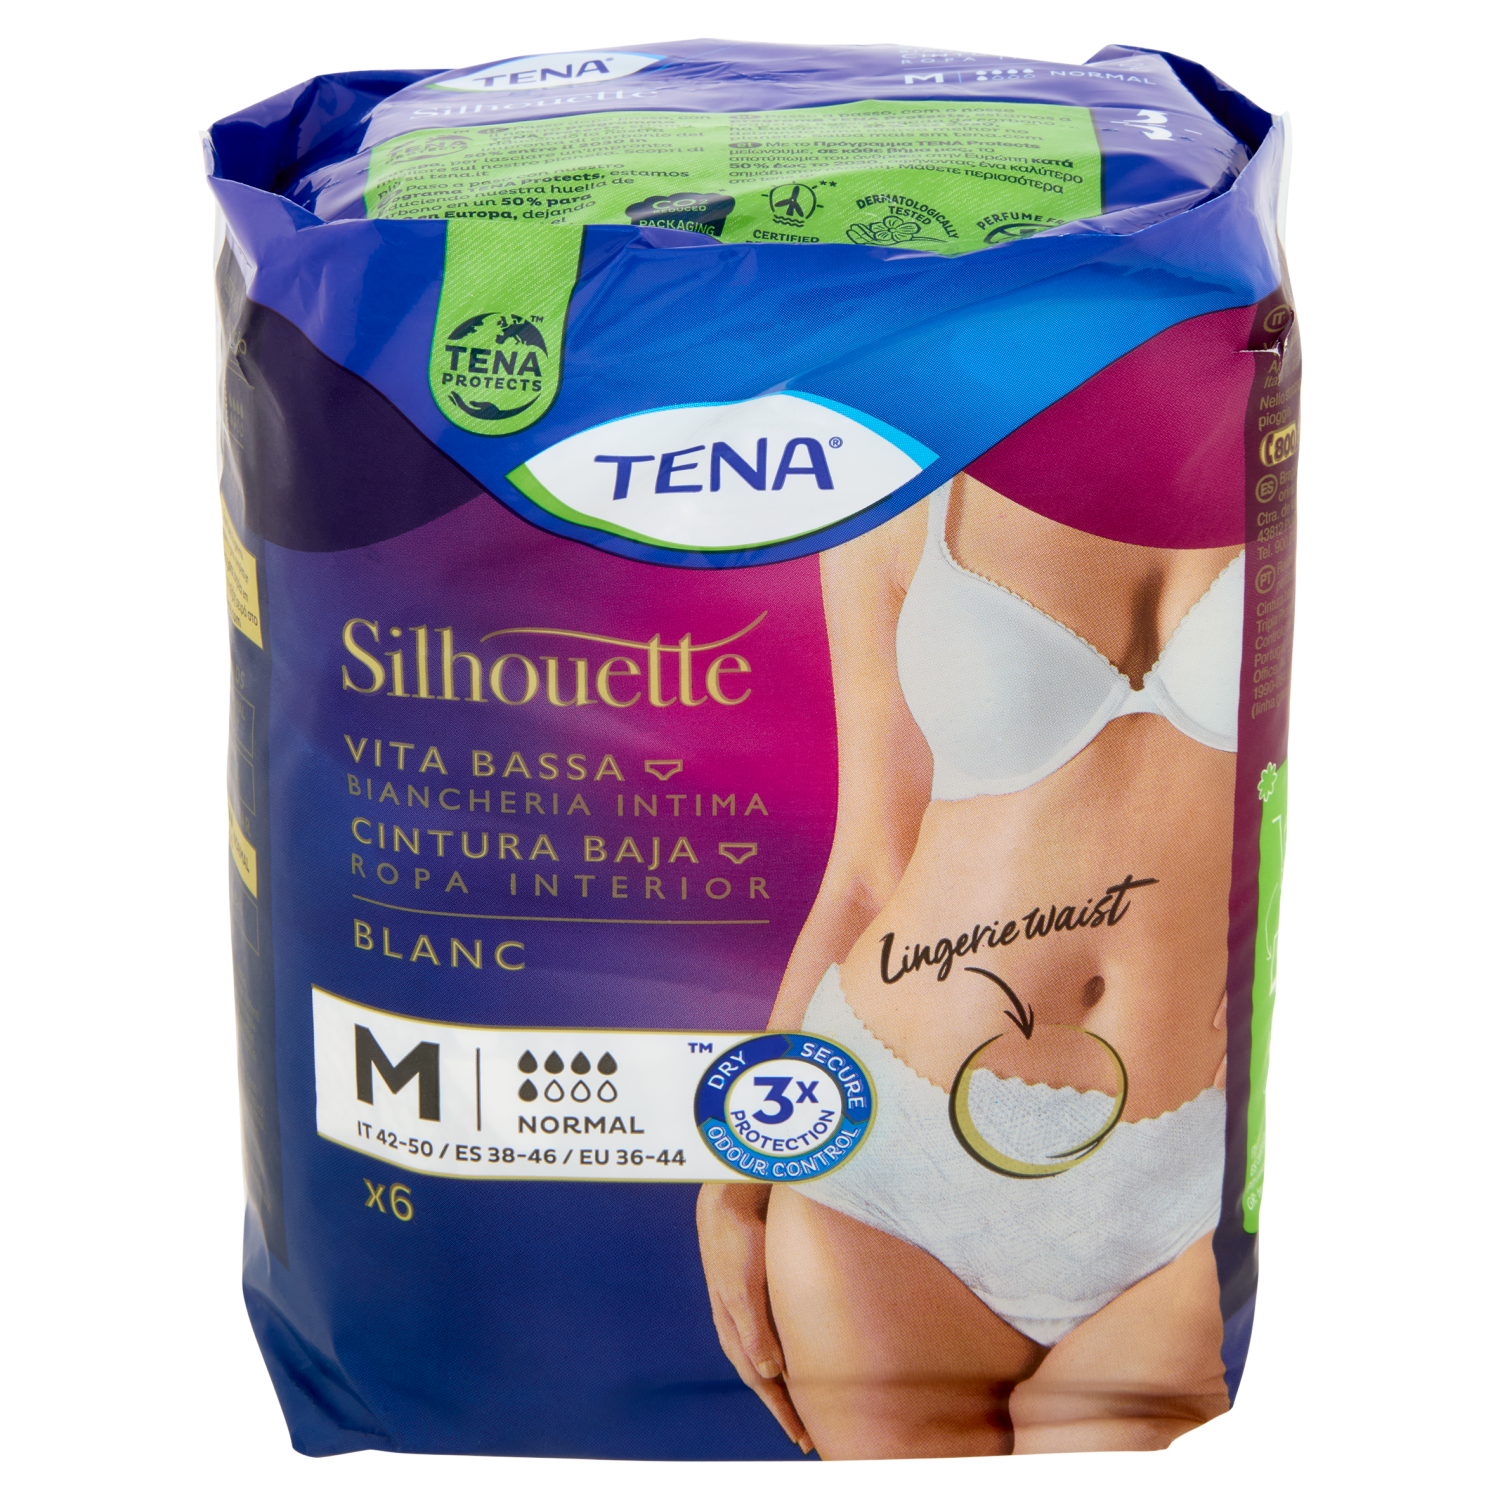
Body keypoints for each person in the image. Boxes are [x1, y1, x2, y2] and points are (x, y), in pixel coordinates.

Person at [697, 469, 1244, 1458]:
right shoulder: (895, 481)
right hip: (888, 1165)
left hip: (1201, 1175)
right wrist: (739, 1177)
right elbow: (869, 869)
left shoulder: (1294, 446)